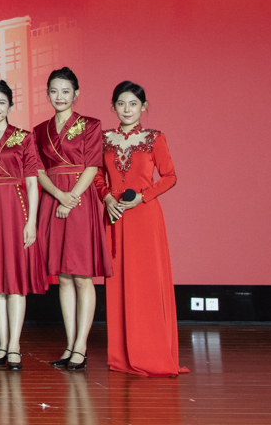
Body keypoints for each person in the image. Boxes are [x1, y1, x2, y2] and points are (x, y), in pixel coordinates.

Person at [97, 81, 186, 377]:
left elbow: (170, 176)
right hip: (114, 215)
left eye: (133, 104)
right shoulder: (103, 139)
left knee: (146, 282)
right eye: (121, 103)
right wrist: (107, 197)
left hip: (145, 217)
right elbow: (96, 176)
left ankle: (151, 352)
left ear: (143, 107)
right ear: (113, 107)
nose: (127, 109)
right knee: (118, 282)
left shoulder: (154, 138)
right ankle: (122, 355)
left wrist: (143, 197)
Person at [33, 66, 111, 372]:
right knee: (63, 276)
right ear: (47, 94)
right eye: (54, 91)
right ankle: (69, 345)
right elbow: (38, 170)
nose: (59, 96)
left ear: (76, 94)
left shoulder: (91, 125)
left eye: (65, 91)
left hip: (79, 199)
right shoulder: (40, 130)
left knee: (81, 275)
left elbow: (92, 166)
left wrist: (71, 198)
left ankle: (81, 346)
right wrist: (58, 195)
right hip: (53, 198)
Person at [0, 79, 44, 371]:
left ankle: (15, 345)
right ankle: (2, 345)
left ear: (10, 106)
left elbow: (31, 182)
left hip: (16, 210)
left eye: (1, 103)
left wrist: (32, 222)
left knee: (15, 280)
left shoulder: (24, 137)